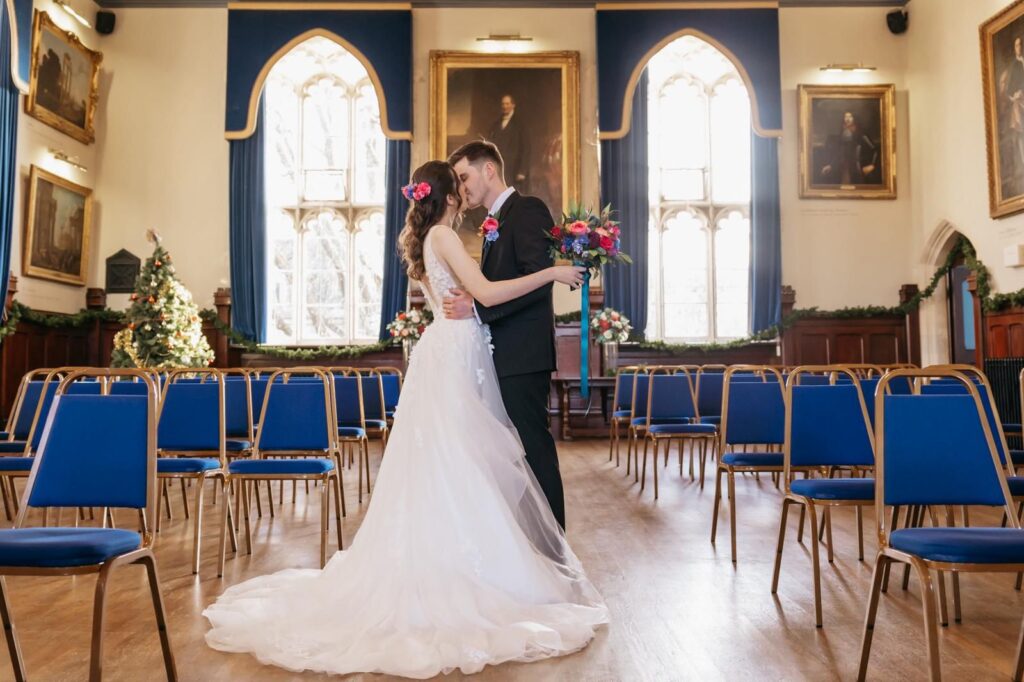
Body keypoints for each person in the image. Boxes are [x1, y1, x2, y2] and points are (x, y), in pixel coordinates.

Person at [203, 160, 609, 678]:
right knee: (461, 459)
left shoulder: (430, 239)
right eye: (459, 184)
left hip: (446, 350)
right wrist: (553, 272)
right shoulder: (444, 236)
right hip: (457, 351)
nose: (466, 190)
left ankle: (459, 560)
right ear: (449, 195)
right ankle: (468, 572)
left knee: (450, 461)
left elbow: (472, 297)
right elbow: (486, 294)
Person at [444, 140, 566, 529]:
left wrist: (478, 308)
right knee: (512, 455)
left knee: (534, 449)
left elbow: (539, 282)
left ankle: (555, 546)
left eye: (465, 176)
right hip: (503, 355)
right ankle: (528, 541)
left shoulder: (527, 209)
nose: (462, 187)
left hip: (523, 356)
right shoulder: (495, 222)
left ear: (489, 170)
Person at [818, 111, 880, 185]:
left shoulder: (862, 134)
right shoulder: (842, 134)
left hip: (858, 170)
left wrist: (872, 165)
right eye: (846, 117)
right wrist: (831, 166)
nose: (847, 119)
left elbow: (875, 150)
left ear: (854, 118)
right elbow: (840, 153)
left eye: (850, 116)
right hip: (843, 169)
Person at [487, 94, 529, 191]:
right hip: (499, 168)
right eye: (503, 104)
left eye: (507, 104)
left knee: (511, 194)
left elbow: (526, 148)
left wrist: (522, 171)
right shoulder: (496, 124)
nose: (505, 106)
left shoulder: (520, 124)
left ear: (513, 105)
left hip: (514, 170)